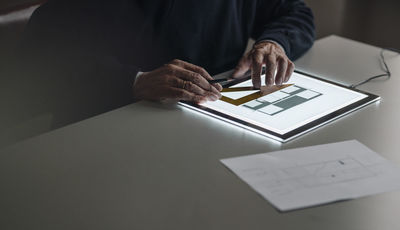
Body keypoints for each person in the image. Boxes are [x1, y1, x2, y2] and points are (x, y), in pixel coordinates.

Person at [9, 0, 314, 124]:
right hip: (108, 124)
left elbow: (294, 13)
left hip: (209, 120)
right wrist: (135, 81)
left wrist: (274, 42)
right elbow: (39, 63)